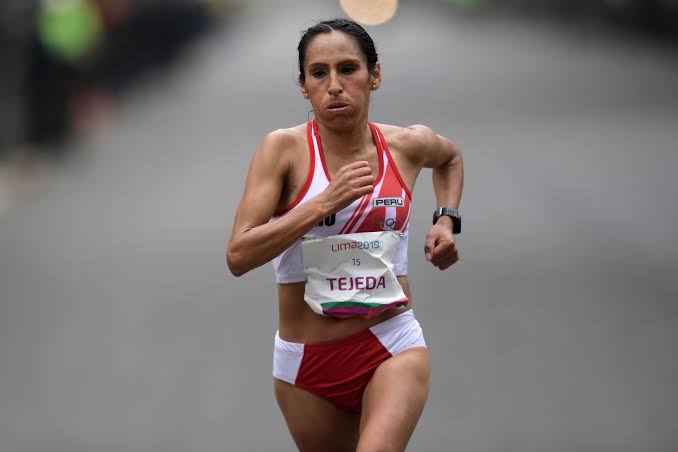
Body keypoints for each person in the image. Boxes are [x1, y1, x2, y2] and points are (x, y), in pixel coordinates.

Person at [227, 18, 463, 452]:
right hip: (307, 366)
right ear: (303, 85)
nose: (334, 85)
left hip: (391, 342)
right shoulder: (282, 150)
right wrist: (320, 204)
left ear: (375, 75)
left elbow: (449, 158)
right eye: (319, 73)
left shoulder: (405, 145)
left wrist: (446, 220)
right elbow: (238, 255)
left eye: (348, 69)